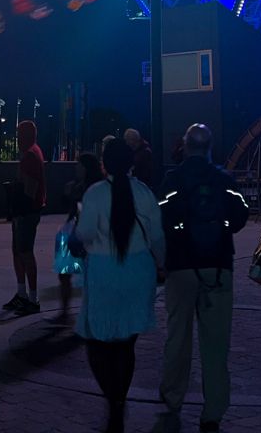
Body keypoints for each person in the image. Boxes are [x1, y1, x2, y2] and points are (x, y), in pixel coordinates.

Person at [159, 123, 249, 433]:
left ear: (184, 145)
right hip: (218, 266)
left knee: (177, 336)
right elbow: (241, 214)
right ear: (210, 146)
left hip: (181, 266)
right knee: (215, 343)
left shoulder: (173, 178)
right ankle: (213, 411)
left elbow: (161, 216)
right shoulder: (223, 178)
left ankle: (173, 399)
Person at [75, 137, 165, 433]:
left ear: (104, 164)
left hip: (104, 271)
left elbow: (85, 233)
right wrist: (164, 265)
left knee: (97, 341)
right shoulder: (144, 193)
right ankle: (119, 400)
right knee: (127, 344)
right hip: (138, 271)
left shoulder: (95, 194)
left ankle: (112, 398)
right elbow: (157, 237)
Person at [53, 151, 103, 322]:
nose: (76, 167)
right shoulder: (80, 185)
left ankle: (79, 311)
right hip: (73, 230)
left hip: (83, 232)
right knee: (66, 273)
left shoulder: (91, 187)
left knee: (83, 274)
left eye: (79, 164)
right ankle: (67, 311)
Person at [3, 119, 46, 315]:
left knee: (25, 252)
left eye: (19, 134)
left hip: (26, 212)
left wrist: (19, 205)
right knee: (19, 251)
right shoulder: (34, 152)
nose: (17, 138)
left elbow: (30, 189)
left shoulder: (29, 156)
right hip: (26, 210)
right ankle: (23, 294)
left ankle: (32, 297)